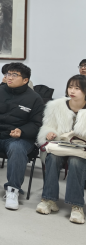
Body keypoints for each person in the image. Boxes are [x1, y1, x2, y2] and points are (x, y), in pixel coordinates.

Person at [0, 62, 45, 210]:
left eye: (14, 75)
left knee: (17, 149)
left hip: (19, 138)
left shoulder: (35, 99)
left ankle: (13, 190)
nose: (9, 77)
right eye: (7, 74)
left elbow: (37, 123)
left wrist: (22, 131)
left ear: (25, 80)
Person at [36, 75, 86, 224]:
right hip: (60, 145)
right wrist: (49, 133)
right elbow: (47, 126)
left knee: (76, 161)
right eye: (70, 87)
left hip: (81, 150)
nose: (72, 91)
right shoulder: (56, 106)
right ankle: (48, 199)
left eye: (77, 88)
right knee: (52, 158)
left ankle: (77, 206)